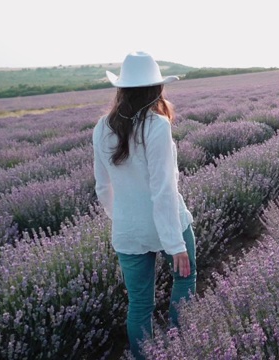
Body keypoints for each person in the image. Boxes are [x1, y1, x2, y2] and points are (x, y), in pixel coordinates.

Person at [92, 51, 196, 360]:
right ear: (156, 88)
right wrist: (174, 243)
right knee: (185, 279)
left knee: (139, 304)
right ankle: (181, 348)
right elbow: (163, 189)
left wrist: (123, 217)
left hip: (128, 231)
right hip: (167, 224)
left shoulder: (101, 127)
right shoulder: (157, 125)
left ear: (122, 89)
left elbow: (101, 187)